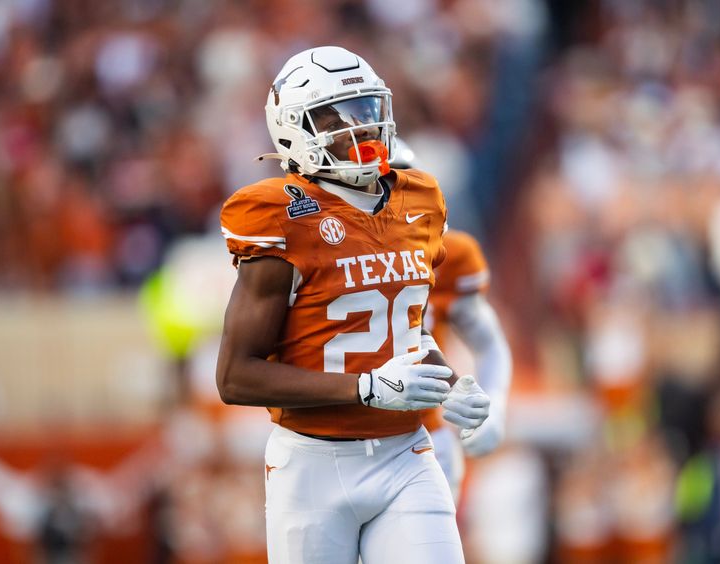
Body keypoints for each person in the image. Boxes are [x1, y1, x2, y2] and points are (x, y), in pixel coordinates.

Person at [215, 45, 491, 564]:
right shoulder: (278, 214)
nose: (360, 129)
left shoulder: (420, 199)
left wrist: (452, 385)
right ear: (294, 128)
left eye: (367, 111)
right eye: (337, 118)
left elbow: (402, 331)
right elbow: (235, 377)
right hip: (312, 465)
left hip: (405, 454)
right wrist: (364, 388)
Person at [392, 140, 512, 502]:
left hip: (422, 436)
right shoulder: (319, 251)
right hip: (334, 438)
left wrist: (493, 409)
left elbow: (489, 344)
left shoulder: (449, 255)